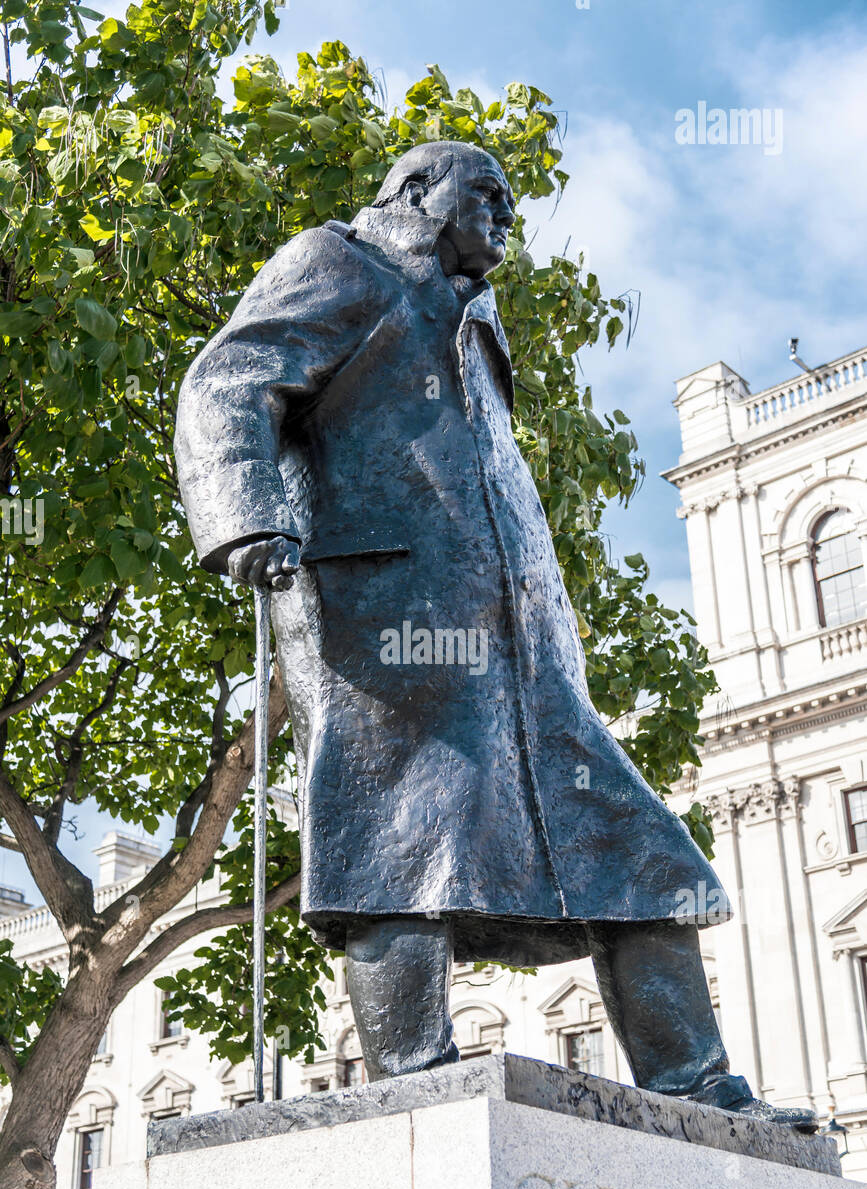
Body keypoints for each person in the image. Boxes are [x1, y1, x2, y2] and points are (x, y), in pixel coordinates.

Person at [175, 141, 816, 1129]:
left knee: (635, 844)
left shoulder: (474, 311)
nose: (509, 216)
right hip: (382, 616)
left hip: (519, 648)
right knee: (395, 841)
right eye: (490, 195)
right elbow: (229, 381)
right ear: (421, 193)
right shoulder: (338, 261)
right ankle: (414, 1085)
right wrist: (247, 516)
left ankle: (698, 1086)